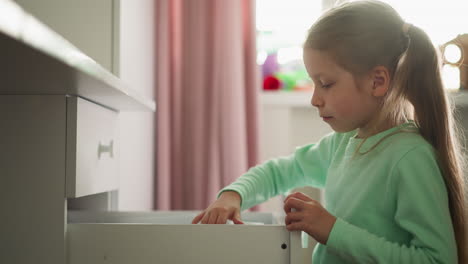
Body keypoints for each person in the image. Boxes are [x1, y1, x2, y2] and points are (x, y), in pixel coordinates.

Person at [192, 0, 466, 263]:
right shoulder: (343, 144)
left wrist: (332, 230)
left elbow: (437, 259)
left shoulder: (411, 159)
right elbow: (279, 172)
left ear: (378, 81)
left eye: (326, 83)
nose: (315, 99)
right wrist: (234, 194)